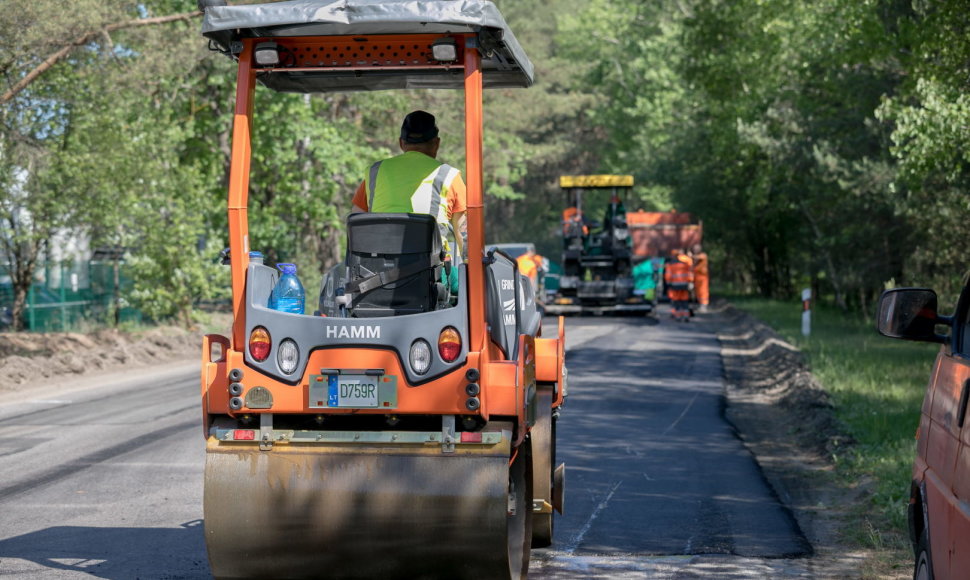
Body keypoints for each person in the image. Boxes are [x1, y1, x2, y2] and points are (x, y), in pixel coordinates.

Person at [351, 110, 466, 292]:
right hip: (432, 277)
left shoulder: (375, 173)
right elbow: (464, 235)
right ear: (436, 143)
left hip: (374, 275)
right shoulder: (449, 176)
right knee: (463, 287)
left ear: (401, 143)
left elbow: (356, 225)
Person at [664, 250, 694, 321]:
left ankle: (678, 316)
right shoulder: (685, 264)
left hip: (675, 286)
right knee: (684, 300)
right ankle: (686, 316)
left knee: (677, 301)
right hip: (684, 285)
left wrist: (668, 284)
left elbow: (668, 276)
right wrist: (690, 282)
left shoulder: (670, 265)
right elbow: (689, 274)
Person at [690, 243, 709, 312]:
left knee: (703, 291)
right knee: (698, 292)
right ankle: (700, 305)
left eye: (697, 249)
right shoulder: (695, 258)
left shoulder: (703, 255)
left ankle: (704, 306)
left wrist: (690, 256)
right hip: (696, 276)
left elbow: (698, 258)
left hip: (703, 276)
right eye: (694, 249)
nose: (695, 250)